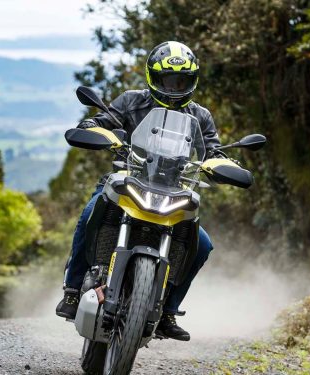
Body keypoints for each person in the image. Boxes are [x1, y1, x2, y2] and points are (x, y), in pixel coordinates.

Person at [55, 41, 224, 342]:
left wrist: (220, 163)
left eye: (182, 81)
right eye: (169, 80)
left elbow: (213, 148)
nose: (175, 86)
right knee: (90, 212)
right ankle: (72, 289)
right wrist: (95, 128)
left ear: (192, 81)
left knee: (203, 243)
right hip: (127, 181)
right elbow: (103, 121)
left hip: (174, 191)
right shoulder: (132, 101)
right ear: (153, 77)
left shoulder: (201, 116)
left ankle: (169, 310)